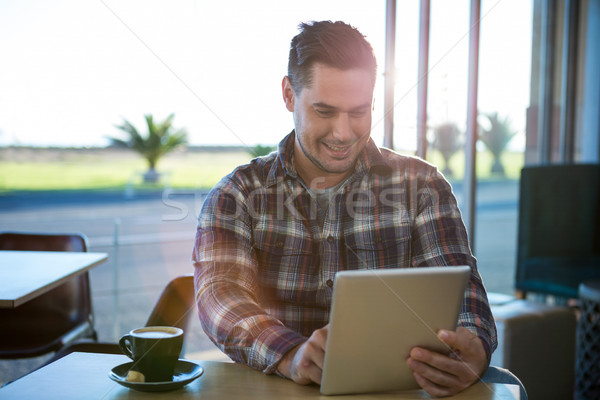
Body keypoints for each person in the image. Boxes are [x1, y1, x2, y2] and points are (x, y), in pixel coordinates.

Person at [193, 20, 517, 398]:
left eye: (359, 112)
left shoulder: (423, 186)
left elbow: (463, 295)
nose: (344, 133)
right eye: (325, 111)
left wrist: (473, 348)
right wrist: (291, 354)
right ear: (288, 94)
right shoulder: (238, 194)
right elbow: (220, 296)